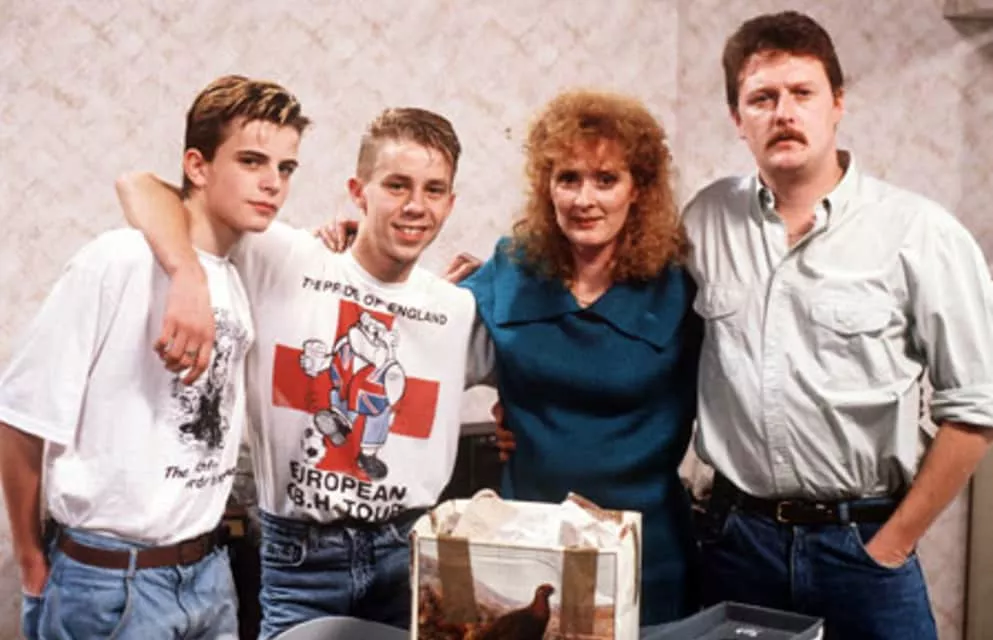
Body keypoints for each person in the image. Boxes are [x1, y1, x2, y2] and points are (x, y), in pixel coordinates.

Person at [682, 11, 993, 639]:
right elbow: (636, 324)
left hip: (865, 549)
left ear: (838, 104)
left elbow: (977, 406)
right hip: (736, 547)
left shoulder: (920, 232)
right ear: (737, 118)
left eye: (803, 92)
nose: (784, 113)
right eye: (762, 98)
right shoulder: (705, 220)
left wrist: (893, 544)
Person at [116, 107, 480, 638]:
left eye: (434, 190)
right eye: (396, 185)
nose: (415, 206)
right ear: (358, 191)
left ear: (450, 203)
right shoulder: (284, 258)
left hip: (409, 555)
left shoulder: (458, 308)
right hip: (301, 556)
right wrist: (187, 273)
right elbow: (139, 186)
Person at [0, 75, 309, 640]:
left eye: (286, 168)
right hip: (111, 580)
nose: (273, 183)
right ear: (197, 166)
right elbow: (20, 416)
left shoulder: (238, 272)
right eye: (251, 161)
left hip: (209, 575)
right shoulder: (117, 260)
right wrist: (30, 562)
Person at [462, 90, 702, 631]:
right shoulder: (511, 266)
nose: (583, 199)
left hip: (645, 552)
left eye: (605, 179)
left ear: (638, 189)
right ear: (546, 187)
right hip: (527, 545)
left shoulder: (679, 284)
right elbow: (424, 333)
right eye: (568, 178)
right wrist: (346, 263)